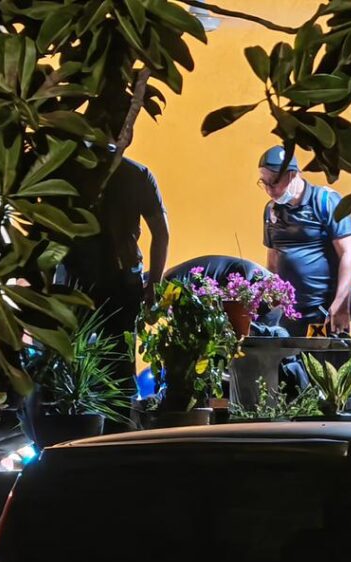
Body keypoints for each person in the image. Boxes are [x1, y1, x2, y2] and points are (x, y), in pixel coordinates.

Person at [60, 151, 169, 421]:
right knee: (120, 366)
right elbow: (161, 232)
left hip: (77, 281)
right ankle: (119, 431)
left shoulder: (68, 168)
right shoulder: (137, 173)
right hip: (121, 282)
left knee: (70, 367)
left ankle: (75, 430)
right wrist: (153, 282)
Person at [260, 146, 351, 336]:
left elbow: (349, 253)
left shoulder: (326, 201)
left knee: (323, 356)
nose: (269, 190)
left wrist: (341, 303)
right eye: (264, 183)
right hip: (288, 313)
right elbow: (272, 261)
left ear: (293, 174)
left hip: (323, 311)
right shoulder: (271, 210)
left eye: (274, 182)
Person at [164, 255, 284, 330]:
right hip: (262, 284)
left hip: (259, 285)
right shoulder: (172, 279)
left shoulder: (171, 284)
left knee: (260, 340)